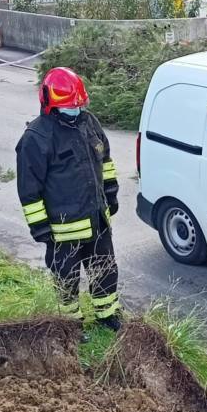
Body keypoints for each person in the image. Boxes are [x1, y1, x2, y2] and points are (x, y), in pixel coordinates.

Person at [15, 67, 122, 330]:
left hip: (97, 219)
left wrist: (111, 193)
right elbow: (29, 190)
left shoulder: (89, 122)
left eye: (78, 104)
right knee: (67, 279)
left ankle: (107, 313)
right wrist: (39, 227)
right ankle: (70, 325)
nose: (75, 110)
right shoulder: (36, 138)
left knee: (105, 269)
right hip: (63, 230)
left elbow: (105, 160)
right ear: (50, 103)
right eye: (70, 106)